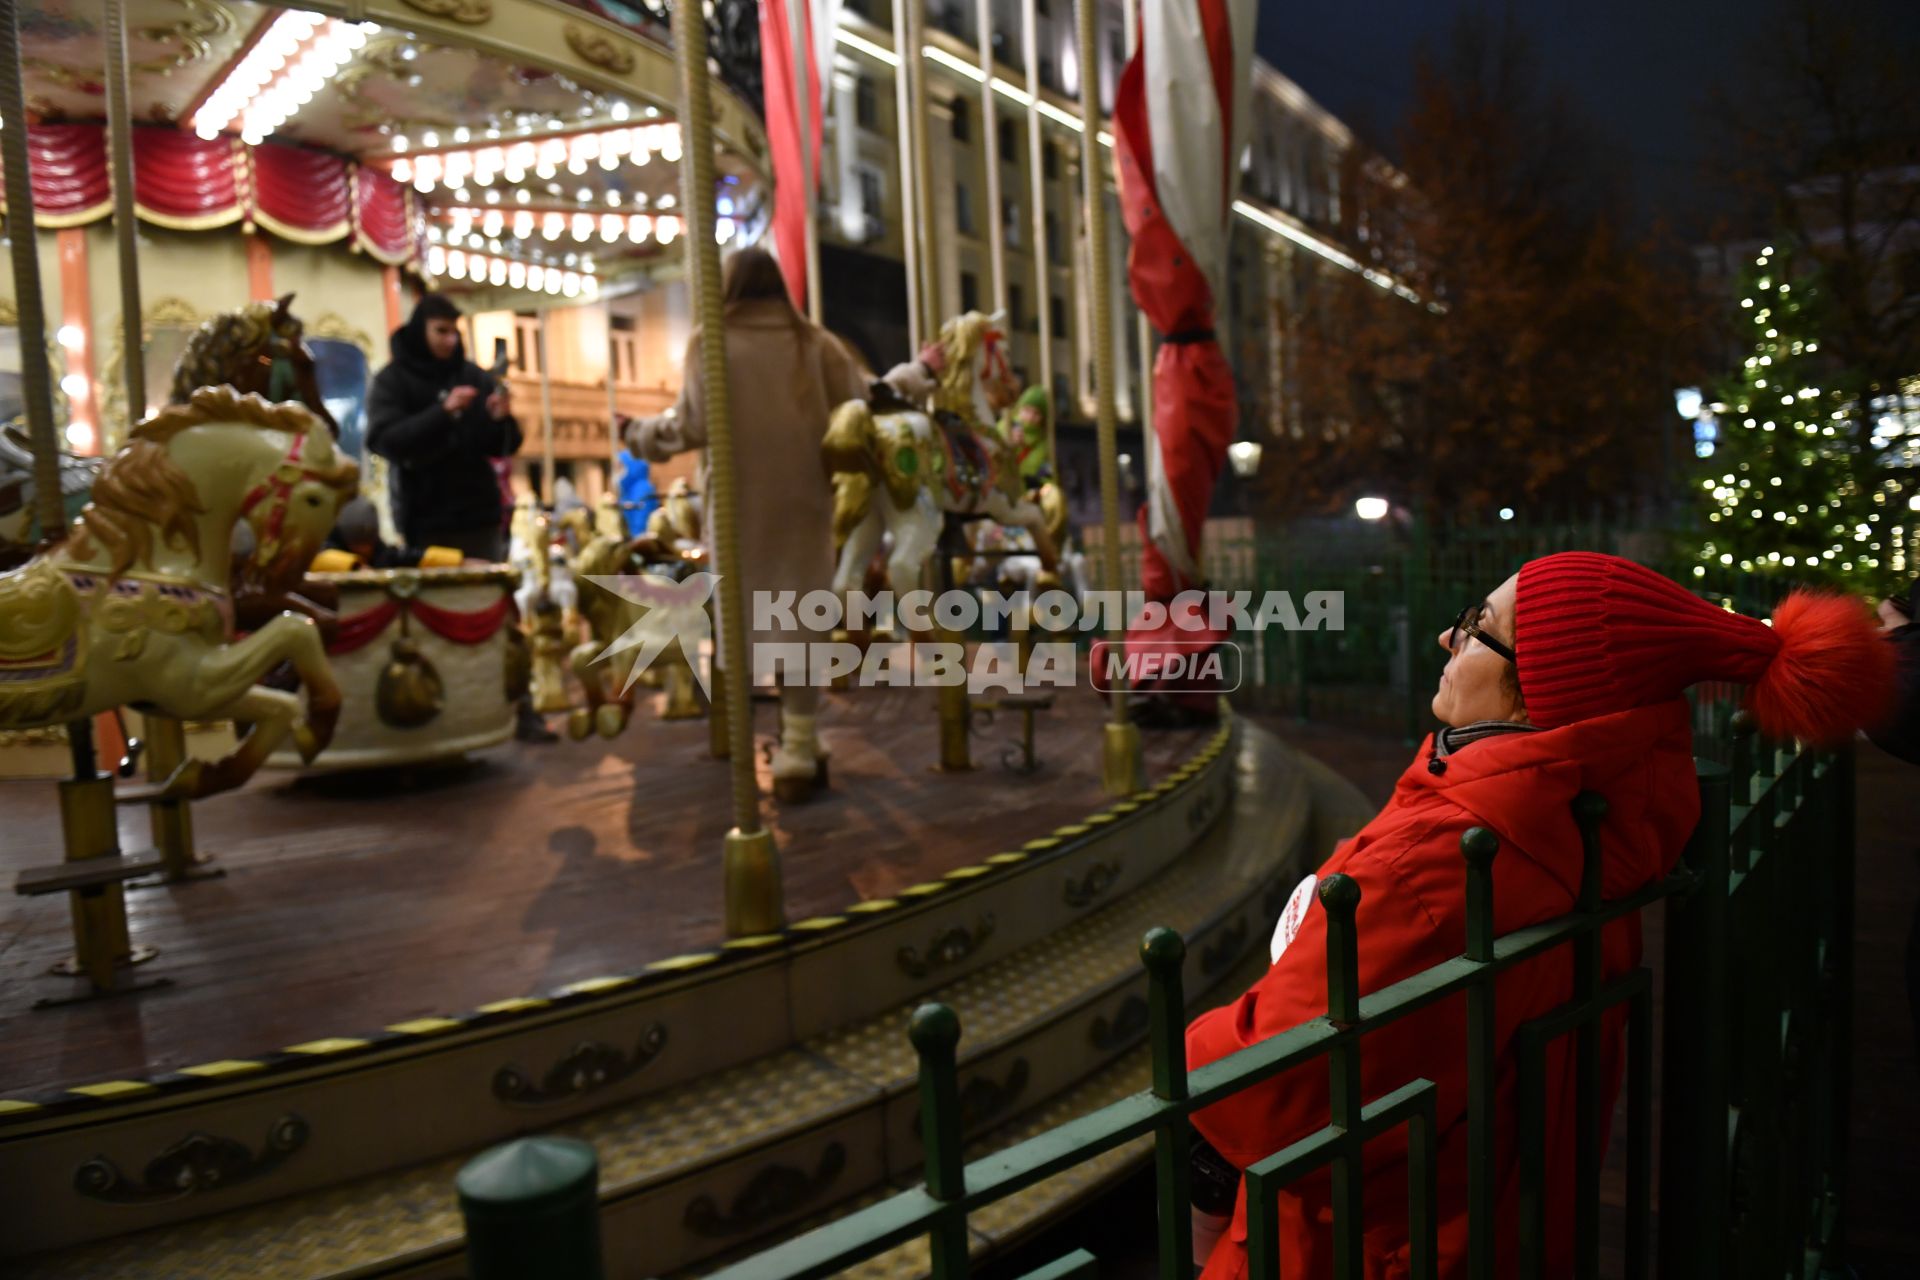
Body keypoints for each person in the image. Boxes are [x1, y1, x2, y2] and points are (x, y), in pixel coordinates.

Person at [1184, 552, 1892, 1280]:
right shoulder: (1595, 818)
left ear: (1536, 694)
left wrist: (1200, 1060)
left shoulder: (1443, 859)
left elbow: (1277, 1091)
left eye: (1477, 628)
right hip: (1496, 1221)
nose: (1446, 641)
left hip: (1359, 1247)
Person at [624, 247, 873, 800]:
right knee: (800, 622)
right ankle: (801, 744)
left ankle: (749, 745)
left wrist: (637, 434)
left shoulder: (709, 342)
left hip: (739, 506)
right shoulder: (815, 342)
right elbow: (858, 404)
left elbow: (688, 427)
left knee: (744, 625)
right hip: (805, 500)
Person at [366, 294, 521, 561]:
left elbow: (504, 445)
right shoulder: (393, 380)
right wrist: (442, 412)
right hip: (424, 519)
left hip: (479, 518)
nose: (451, 340)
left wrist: (500, 420)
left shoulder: (472, 376)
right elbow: (385, 440)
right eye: (441, 331)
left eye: (454, 332)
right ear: (420, 329)